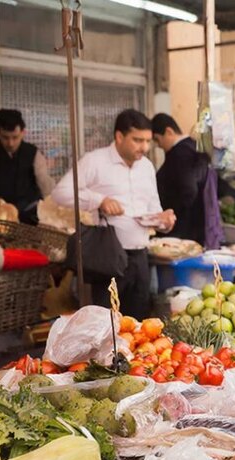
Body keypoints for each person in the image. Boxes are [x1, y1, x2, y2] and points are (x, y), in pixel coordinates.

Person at [52, 109, 175, 320]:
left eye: (147, 141)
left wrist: (163, 221)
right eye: (137, 140)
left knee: (139, 323)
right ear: (119, 136)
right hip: (108, 256)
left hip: (141, 256)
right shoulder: (95, 161)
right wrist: (99, 200)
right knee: (107, 323)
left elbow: (153, 205)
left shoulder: (146, 166)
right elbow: (60, 193)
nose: (144, 147)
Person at [151, 113, 222, 248]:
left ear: (169, 131)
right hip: (198, 227)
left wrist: (172, 216)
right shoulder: (195, 148)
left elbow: (188, 190)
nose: (158, 145)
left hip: (181, 232)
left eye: (157, 139)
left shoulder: (180, 154)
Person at [0, 109, 55, 225]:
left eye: (15, 137)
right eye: (5, 137)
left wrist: (53, 205)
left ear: (23, 132)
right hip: (0, 218)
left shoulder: (34, 153)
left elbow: (45, 182)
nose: (10, 143)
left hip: (30, 214)